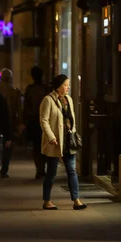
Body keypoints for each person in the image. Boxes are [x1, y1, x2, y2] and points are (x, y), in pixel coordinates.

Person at [40, 74, 87, 211]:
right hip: (55, 142)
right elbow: (44, 120)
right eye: (66, 85)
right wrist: (50, 136)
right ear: (59, 87)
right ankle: (47, 200)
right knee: (51, 172)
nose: (68, 87)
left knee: (72, 170)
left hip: (68, 141)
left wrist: (73, 131)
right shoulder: (48, 100)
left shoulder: (69, 100)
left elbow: (72, 118)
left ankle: (76, 200)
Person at [0, 68, 23, 179]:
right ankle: (4, 170)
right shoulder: (14, 91)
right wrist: (20, 122)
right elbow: (18, 109)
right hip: (9, 121)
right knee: (8, 146)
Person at [24, 66, 48, 179]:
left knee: (37, 146)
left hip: (33, 120)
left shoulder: (30, 89)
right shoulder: (47, 88)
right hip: (45, 120)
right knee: (45, 144)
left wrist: (25, 120)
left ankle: (40, 169)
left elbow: (26, 106)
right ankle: (43, 168)